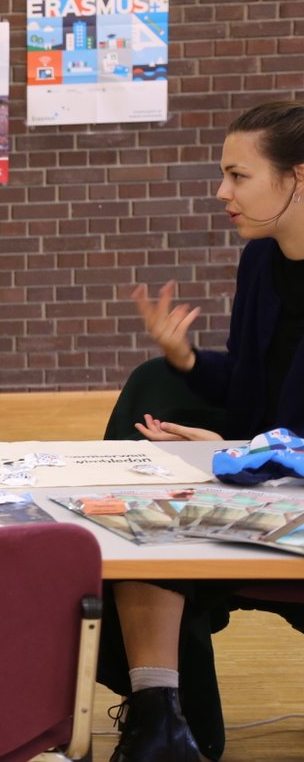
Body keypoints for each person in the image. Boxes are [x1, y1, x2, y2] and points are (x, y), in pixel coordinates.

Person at [100, 99, 304, 762]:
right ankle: (162, 710)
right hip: (269, 469)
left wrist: (242, 452)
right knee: (152, 391)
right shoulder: (262, 262)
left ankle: (166, 706)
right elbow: (256, 383)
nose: (223, 192)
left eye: (238, 176)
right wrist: (185, 359)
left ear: (297, 177)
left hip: (287, 479)